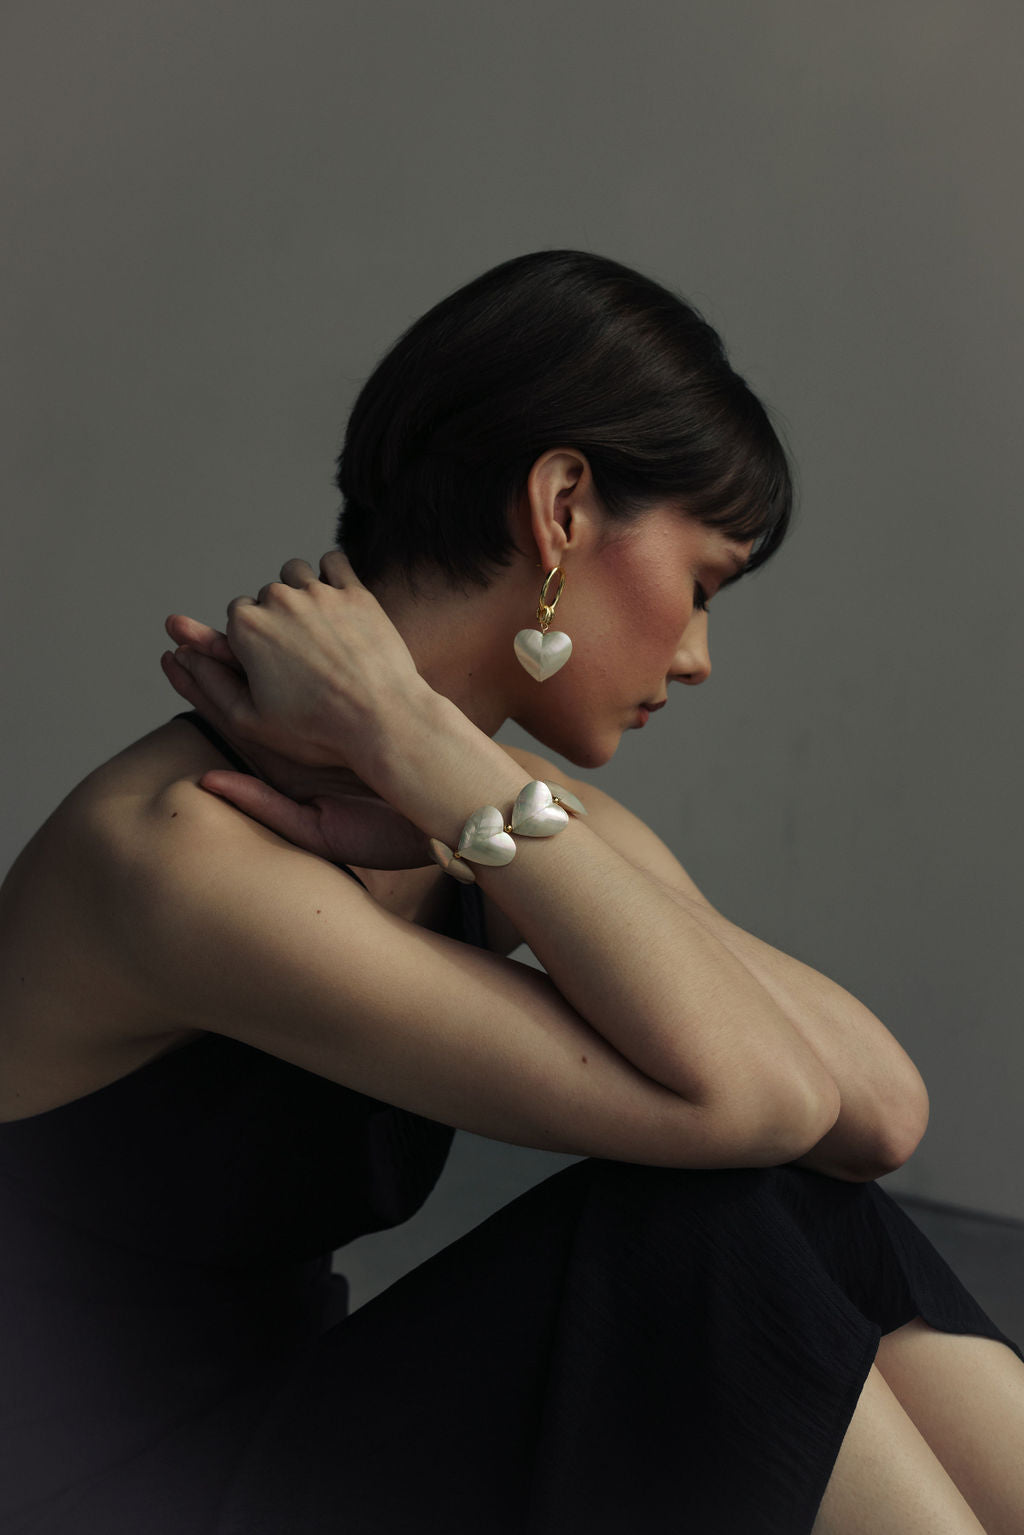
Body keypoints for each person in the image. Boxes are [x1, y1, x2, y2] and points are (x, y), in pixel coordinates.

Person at [1, 250, 1022, 1535]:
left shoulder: (473, 809)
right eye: (702, 585)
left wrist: (434, 762)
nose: (699, 658)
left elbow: (874, 1112)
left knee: (781, 1209)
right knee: (693, 1238)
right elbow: (753, 1096)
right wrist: (437, 767)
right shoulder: (180, 855)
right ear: (561, 507)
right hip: (106, 1500)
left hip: (295, 1442)